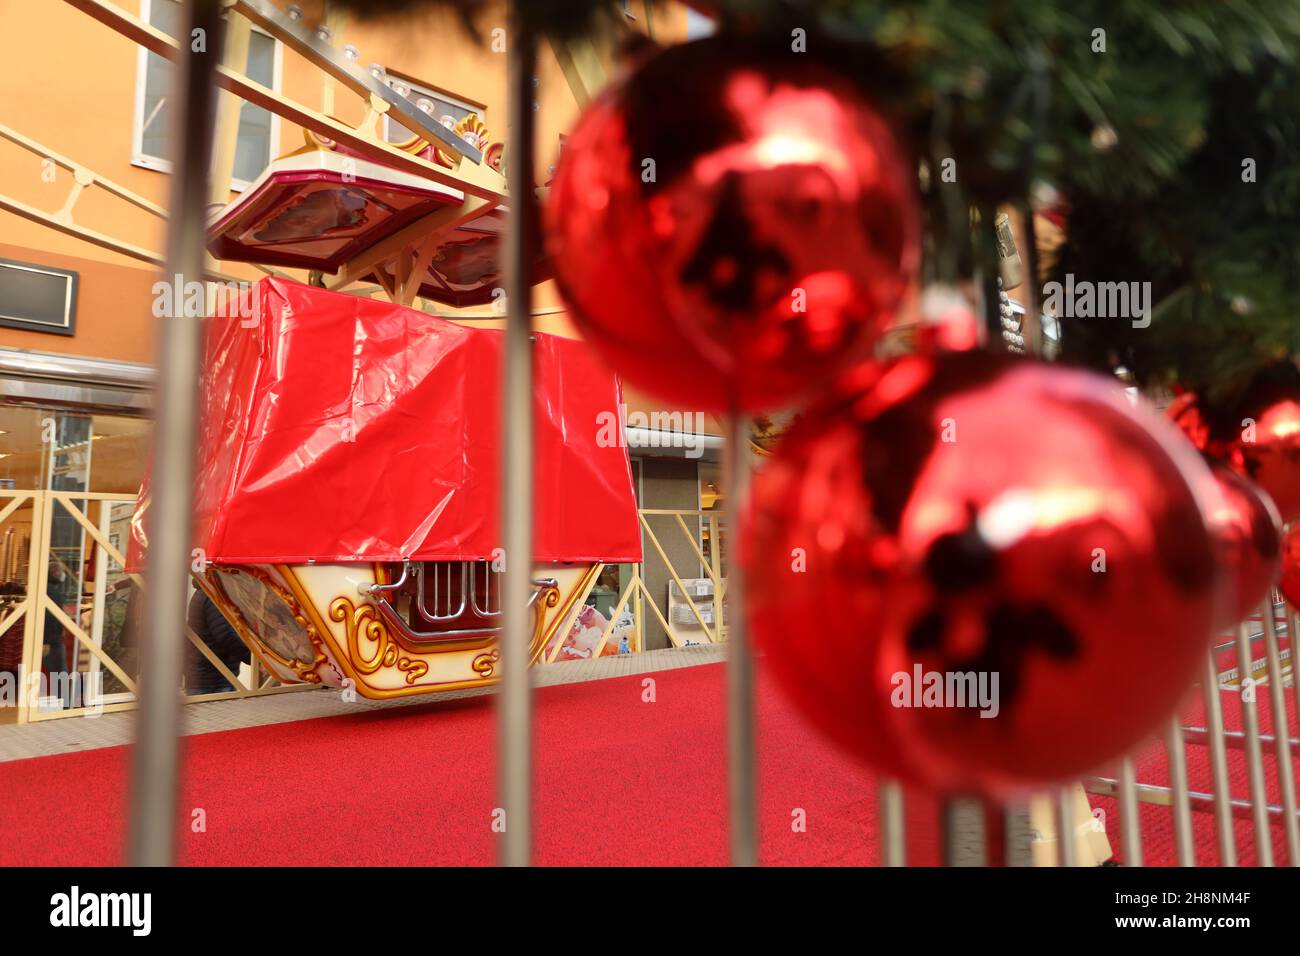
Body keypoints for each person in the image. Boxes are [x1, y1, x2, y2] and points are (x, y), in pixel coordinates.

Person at [186, 590, 249, 695]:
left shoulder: (205, 593)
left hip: (206, 676)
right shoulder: (213, 595)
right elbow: (225, 635)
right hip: (214, 679)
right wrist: (256, 660)